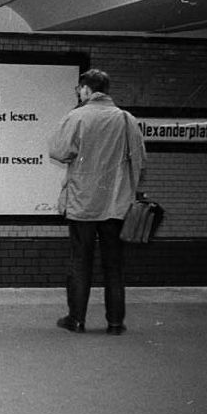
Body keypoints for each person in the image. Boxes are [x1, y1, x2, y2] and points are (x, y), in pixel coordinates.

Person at [48, 69, 146, 335]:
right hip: (115, 204)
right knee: (114, 265)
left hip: (83, 203)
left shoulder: (77, 116)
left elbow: (58, 151)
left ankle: (76, 320)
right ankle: (115, 323)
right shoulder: (127, 119)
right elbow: (140, 160)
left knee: (80, 262)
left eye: (80, 90)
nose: (79, 94)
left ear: (87, 90)